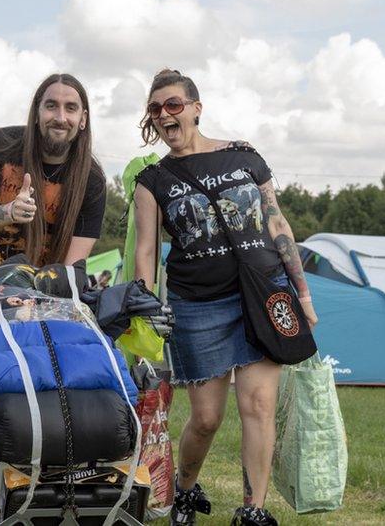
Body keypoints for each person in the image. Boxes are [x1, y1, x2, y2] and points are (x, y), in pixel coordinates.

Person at [133, 70, 318, 526]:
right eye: (156, 109)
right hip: (197, 305)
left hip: (262, 294)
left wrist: (304, 294)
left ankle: (252, 510)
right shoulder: (151, 179)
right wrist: (146, 310)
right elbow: (146, 251)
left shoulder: (244, 158)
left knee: (258, 405)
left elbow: (277, 225)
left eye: (173, 105)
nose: (164, 116)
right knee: (206, 419)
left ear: (197, 107)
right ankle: (185, 490)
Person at [0, 73, 106, 274]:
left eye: (70, 108)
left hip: (46, 294)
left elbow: (71, 268)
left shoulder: (92, 180)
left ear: (83, 119)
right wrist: (10, 211)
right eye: (51, 106)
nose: (60, 118)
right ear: (37, 112)